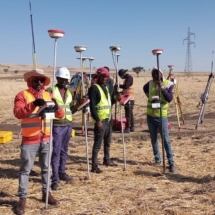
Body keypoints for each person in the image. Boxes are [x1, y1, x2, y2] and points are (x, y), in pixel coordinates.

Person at [13, 69, 64, 215]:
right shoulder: (23, 95)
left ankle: (46, 193)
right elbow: (18, 113)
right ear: (30, 81)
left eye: (41, 80)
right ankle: (22, 199)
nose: (39, 83)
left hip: (47, 138)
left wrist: (57, 107)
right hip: (30, 140)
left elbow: (59, 115)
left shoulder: (49, 95)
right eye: (36, 80)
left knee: (47, 169)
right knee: (25, 170)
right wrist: (33, 104)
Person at [46, 67, 74, 190]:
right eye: (62, 79)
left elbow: (69, 108)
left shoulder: (68, 92)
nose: (64, 81)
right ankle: (55, 178)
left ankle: (62, 172)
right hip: (57, 125)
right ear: (57, 78)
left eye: (66, 79)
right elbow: (47, 105)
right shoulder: (51, 90)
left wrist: (81, 105)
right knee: (56, 152)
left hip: (68, 124)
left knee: (64, 151)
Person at [143, 67, 176, 172]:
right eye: (154, 74)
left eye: (158, 74)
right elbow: (144, 88)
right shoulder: (150, 83)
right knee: (154, 139)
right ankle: (157, 159)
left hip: (162, 117)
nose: (156, 76)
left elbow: (169, 98)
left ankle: (171, 163)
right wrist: (149, 96)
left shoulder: (168, 84)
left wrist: (162, 87)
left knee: (166, 140)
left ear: (162, 74)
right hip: (150, 116)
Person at [88, 67, 119, 173]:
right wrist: (97, 121)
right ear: (98, 77)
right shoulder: (94, 88)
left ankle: (107, 159)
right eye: (102, 76)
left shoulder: (106, 88)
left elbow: (108, 103)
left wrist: (116, 98)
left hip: (108, 119)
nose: (104, 79)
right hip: (101, 121)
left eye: (106, 77)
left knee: (107, 142)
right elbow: (92, 106)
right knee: (97, 144)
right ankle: (94, 166)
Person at [118, 69, 135, 133]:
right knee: (130, 113)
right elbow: (125, 90)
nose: (121, 77)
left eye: (121, 76)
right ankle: (132, 127)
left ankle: (128, 128)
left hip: (129, 99)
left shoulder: (129, 78)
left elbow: (126, 86)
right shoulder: (126, 79)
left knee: (128, 114)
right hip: (127, 98)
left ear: (123, 74)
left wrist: (119, 86)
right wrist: (121, 93)